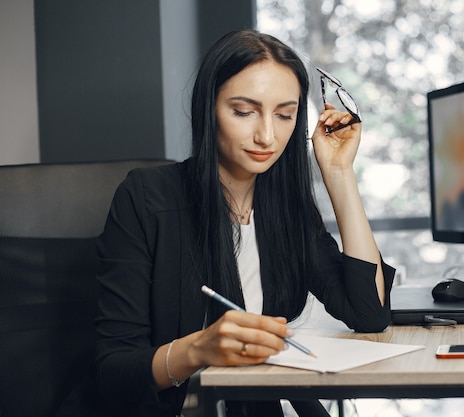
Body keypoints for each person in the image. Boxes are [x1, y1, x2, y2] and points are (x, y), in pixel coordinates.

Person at [93, 28, 395, 417]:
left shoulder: (287, 209)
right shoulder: (148, 198)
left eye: (285, 115)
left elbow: (369, 312)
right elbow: (112, 374)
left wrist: (338, 174)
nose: (267, 135)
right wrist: (198, 348)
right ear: (209, 108)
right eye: (243, 111)